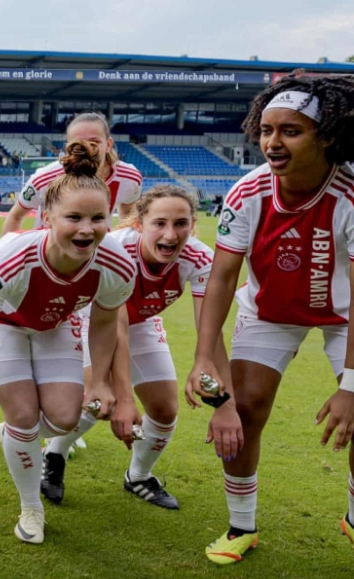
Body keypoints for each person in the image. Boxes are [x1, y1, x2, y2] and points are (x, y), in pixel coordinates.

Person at [187, 75, 354, 579]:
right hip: (272, 309)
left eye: (291, 131)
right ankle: (241, 525)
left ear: (327, 135)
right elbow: (222, 277)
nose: (271, 143)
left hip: (352, 312)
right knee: (243, 409)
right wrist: (203, 358)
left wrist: (351, 389)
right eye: (266, 130)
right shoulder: (247, 191)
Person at [0, 140, 138, 545]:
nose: (87, 229)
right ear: (47, 217)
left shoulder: (117, 264)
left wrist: (101, 382)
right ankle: (30, 508)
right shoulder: (11, 257)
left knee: (64, 419)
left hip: (54, 324)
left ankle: (14, 434)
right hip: (4, 323)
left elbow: (106, 322)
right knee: (24, 417)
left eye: (98, 217)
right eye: (73, 217)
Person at [40, 185, 220, 509]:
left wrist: (209, 371)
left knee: (164, 408)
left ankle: (138, 476)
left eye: (181, 224)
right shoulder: (118, 251)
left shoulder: (201, 258)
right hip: (95, 317)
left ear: (193, 225)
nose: (170, 234)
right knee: (101, 399)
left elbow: (208, 323)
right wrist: (124, 398)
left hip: (143, 322)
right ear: (140, 223)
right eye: (159, 223)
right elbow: (115, 325)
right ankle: (53, 454)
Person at [1, 112, 141, 234]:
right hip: (50, 256)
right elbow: (15, 216)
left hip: (95, 254)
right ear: (69, 147)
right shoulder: (43, 179)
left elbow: (128, 213)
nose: (87, 147)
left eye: (94, 141)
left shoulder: (129, 178)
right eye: (79, 142)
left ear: (108, 145)